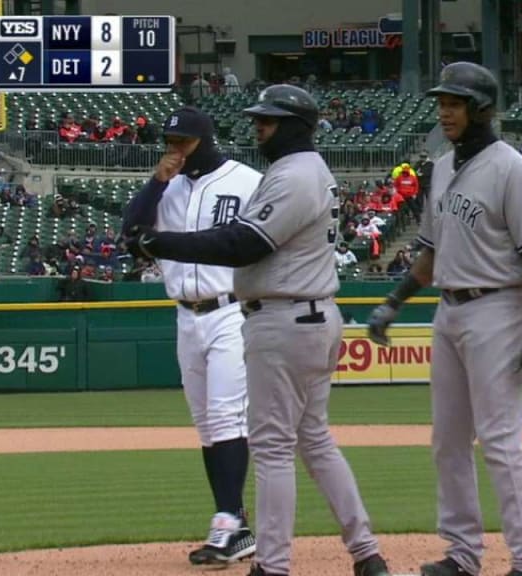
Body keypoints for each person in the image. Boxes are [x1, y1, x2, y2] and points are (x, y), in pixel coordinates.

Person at [124, 85, 392, 576]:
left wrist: (161, 242)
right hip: (305, 313)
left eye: (267, 121)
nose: (257, 127)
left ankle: (272, 565)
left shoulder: (292, 175)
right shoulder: (302, 172)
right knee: (314, 441)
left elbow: (245, 244)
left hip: (283, 317)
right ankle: (366, 553)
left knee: (271, 447)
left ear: (293, 126)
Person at [366, 62, 522, 576]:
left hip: (498, 307)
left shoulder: (514, 170)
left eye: (454, 103)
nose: (444, 112)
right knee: (448, 440)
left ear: (482, 109)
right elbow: (429, 250)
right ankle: (462, 554)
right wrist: (395, 301)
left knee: (500, 440)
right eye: (442, 103)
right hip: (449, 310)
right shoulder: (442, 165)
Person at [121, 107, 263, 566]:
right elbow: (131, 231)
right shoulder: (168, 188)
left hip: (230, 312)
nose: (175, 148)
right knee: (206, 425)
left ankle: (226, 521)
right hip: (186, 315)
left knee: (225, 418)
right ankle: (235, 525)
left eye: (183, 140)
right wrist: (157, 181)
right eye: (170, 140)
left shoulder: (246, 180)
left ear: (206, 140)